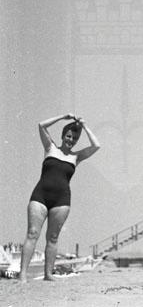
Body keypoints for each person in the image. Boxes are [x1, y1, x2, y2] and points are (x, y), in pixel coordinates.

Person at [19, 114, 102, 282]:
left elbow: (96, 145)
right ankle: (22, 274)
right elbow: (41, 124)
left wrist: (85, 126)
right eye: (69, 136)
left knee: (53, 237)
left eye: (74, 138)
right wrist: (64, 116)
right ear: (63, 135)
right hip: (40, 196)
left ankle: (48, 274)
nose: (71, 140)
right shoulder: (50, 147)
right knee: (32, 233)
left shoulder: (76, 157)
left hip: (61, 201)